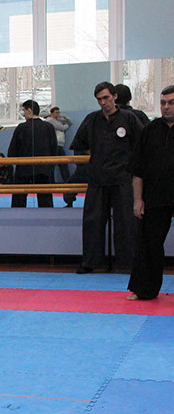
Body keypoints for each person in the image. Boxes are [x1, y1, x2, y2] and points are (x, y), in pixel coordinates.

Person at [70, 82, 144, 273]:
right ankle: (90, 262)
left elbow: (142, 144)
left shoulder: (129, 118)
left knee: (126, 223)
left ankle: (128, 263)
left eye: (106, 98)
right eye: (99, 99)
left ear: (115, 96)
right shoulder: (92, 119)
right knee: (92, 222)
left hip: (123, 178)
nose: (103, 102)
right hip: (98, 178)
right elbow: (80, 144)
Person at [126, 85, 174, 300]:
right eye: (163, 103)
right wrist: (138, 200)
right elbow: (138, 170)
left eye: (171, 102)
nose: (166, 107)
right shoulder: (149, 130)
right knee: (149, 243)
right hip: (155, 195)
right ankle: (144, 289)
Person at [7, 100, 57, 208]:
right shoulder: (49, 127)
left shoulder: (21, 127)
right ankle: (47, 216)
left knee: (19, 200)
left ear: (29, 110)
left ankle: (17, 216)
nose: (23, 115)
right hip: (44, 168)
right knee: (45, 200)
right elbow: (54, 149)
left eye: (24, 111)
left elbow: (12, 151)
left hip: (24, 169)